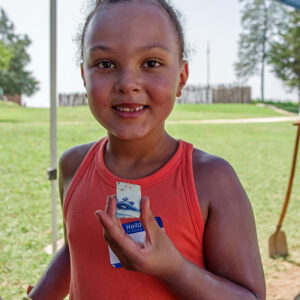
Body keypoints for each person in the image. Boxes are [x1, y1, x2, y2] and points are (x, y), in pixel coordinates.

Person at [28, 0, 266, 299]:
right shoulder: (73, 166)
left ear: (181, 77)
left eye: (151, 63)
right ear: (84, 78)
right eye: (105, 64)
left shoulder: (212, 180)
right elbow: (76, 248)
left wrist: (174, 268)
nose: (128, 83)